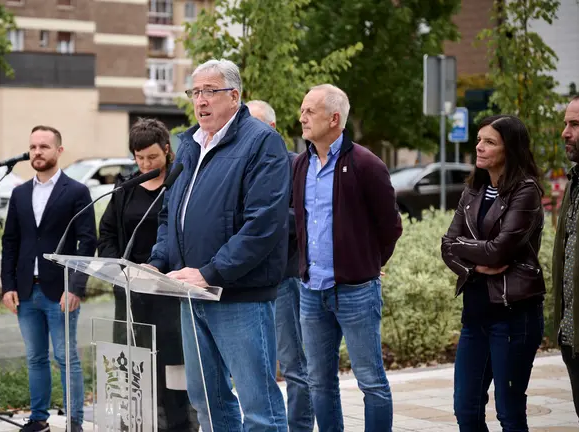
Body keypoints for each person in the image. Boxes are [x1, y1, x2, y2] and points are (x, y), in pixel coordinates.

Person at [145, 59, 290, 431]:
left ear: (234, 96)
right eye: (196, 92)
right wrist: (159, 262)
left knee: (259, 408)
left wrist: (211, 272)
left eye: (210, 91)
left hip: (239, 295)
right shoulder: (190, 145)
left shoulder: (262, 142)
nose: (201, 100)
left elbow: (264, 224)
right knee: (208, 401)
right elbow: (169, 214)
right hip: (191, 294)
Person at [291, 85, 402, 432]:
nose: (302, 117)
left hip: (356, 292)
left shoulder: (366, 164)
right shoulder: (300, 164)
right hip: (311, 291)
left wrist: (368, 263)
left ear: (334, 118)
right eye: (303, 110)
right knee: (319, 382)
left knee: (370, 380)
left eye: (310, 111)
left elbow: (391, 226)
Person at [441, 115, 546, 431]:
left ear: (509, 149)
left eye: (489, 142)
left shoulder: (525, 192)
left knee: (509, 413)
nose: (479, 147)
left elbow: (500, 250)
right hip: (475, 315)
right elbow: (447, 245)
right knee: (466, 410)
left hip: (513, 316)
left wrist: (467, 247)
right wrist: (475, 262)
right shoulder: (473, 189)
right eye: (478, 139)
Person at [97, 117, 198, 432]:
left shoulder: (181, 183)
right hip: (130, 290)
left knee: (172, 362)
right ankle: (138, 421)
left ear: (167, 150)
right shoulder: (125, 188)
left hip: (169, 289)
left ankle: (180, 422)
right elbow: (107, 235)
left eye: (152, 157)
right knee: (133, 361)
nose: (145, 164)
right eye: (139, 158)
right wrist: (119, 269)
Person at [0, 126, 97, 432]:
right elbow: (10, 243)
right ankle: (38, 418)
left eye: (44, 146)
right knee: (35, 358)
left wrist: (76, 287)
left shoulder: (77, 192)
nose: (37, 152)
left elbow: (87, 243)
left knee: (67, 358)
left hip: (61, 292)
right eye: (33, 147)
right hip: (27, 291)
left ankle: (74, 422)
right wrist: (8, 286)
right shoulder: (19, 193)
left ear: (59, 151)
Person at [246, 99, 315, 432]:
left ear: (271, 129)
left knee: (295, 366)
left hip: (285, 278)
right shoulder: (241, 167)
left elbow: (301, 219)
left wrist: (259, 226)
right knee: (256, 366)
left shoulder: (296, 166)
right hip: (247, 281)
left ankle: (299, 428)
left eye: (254, 125)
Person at [553, 91, 579, 429]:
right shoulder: (576, 182)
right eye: (566, 124)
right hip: (573, 338)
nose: (565, 132)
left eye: (575, 124)